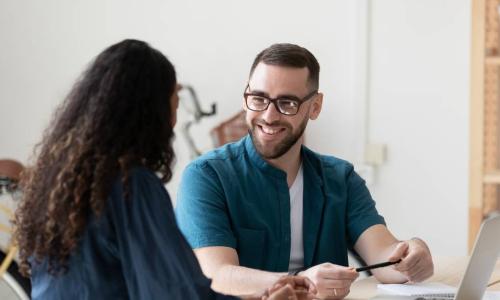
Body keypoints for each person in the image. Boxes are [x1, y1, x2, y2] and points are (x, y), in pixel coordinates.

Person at [13, 39, 315, 300]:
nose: (174, 118)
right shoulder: (131, 185)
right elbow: (176, 293)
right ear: (149, 112)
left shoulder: (55, 185)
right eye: (173, 102)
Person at [175, 43, 434, 299]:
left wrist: (413, 252)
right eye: (258, 99)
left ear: (315, 106)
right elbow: (216, 276)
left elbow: (386, 259)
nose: (268, 115)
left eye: (287, 103)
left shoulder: (340, 178)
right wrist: (299, 282)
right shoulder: (206, 176)